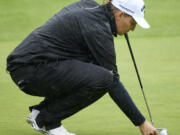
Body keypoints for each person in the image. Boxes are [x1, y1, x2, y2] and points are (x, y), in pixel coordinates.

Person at [6, 0, 158, 135]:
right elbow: (112, 82)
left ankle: (45, 116)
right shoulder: (98, 29)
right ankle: (45, 118)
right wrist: (141, 122)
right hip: (31, 70)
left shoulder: (89, 7)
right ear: (120, 15)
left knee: (92, 64)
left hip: (30, 66)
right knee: (105, 78)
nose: (132, 29)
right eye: (133, 23)